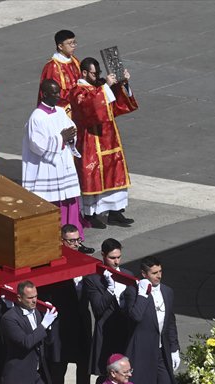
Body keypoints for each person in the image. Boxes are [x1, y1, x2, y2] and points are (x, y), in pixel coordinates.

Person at [122, 257, 184, 384]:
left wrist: (174, 348)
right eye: (154, 273)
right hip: (141, 352)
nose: (158, 276)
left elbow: (170, 322)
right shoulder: (133, 292)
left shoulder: (167, 291)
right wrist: (142, 295)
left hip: (160, 351)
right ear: (144, 274)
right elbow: (136, 316)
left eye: (160, 272)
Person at [70, 57, 138, 229]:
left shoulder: (98, 86)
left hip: (109, 138)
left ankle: (115, 211)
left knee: (114, 173)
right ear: (84, 72)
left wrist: (124, 84)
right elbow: (91, 107)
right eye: (94, 73)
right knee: (92, 176)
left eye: (98, 73)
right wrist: (106, 87)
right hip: (91, 140)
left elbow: (117, 106)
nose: (97, 76)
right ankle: (90, 214)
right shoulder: (78, 91)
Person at [41, 226, 94, 384]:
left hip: (81, 324)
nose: (76, 244)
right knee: (58, 367)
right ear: (62, 242)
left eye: (77, 240)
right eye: (71, 241)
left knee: (83, 368)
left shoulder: (85, 264)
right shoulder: (54, 264)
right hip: (60, 326)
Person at [22, 79, 82, 234]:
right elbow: (36, 145)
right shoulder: (37, 117)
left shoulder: (61, 112)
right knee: (55, 203)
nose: (58, 96)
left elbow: (71, 129)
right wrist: (60, 138)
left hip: (63, 166)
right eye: (54, 93)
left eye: (58, 92)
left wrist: (70, 137)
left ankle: (75, 238)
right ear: (44, 94)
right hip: (47, 169)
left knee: (69, 200)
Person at [82, 238, 131, 378]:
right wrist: (110, 289)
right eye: (112, 258)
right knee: (106, 377)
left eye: (118, 257)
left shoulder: (128, 275)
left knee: (126, 374)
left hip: (125, 332)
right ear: (103, 255)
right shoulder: (93, 279)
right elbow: (98, 308)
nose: (116, 261)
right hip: (107, 335)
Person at [39, 29, 81, 112]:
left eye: (74, 42)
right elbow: (53, 93)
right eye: (70, 43)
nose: (73, 46)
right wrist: (78, 95)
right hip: (63, 109)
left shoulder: (75, 60)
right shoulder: (52, 67)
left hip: (78, 105)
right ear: (60, 46)